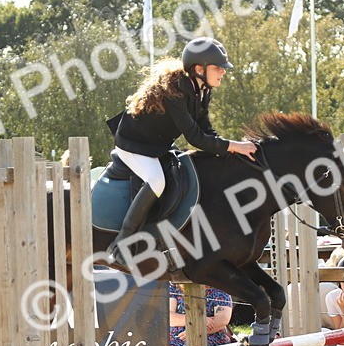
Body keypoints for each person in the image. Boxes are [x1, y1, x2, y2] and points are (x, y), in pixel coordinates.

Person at [105, 37, 257, 267]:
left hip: (158, 145)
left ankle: (165, 241)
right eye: (218, 68)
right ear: (199, 69)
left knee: (184, 173)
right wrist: (234, 145)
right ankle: (120, 245)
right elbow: (194, 137)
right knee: (157, 181)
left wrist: (231, 151)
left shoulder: (203, 90)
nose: (223, 73)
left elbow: (206, 129)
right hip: (133, 144)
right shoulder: (176, 90)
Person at [169, 283, 234, 346]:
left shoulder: (219, 291)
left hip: (208, 335)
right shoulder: (174, 289)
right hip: (176, 337)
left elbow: (222, 320)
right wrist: (198, 320)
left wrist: (195, 331)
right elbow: (170, 317)